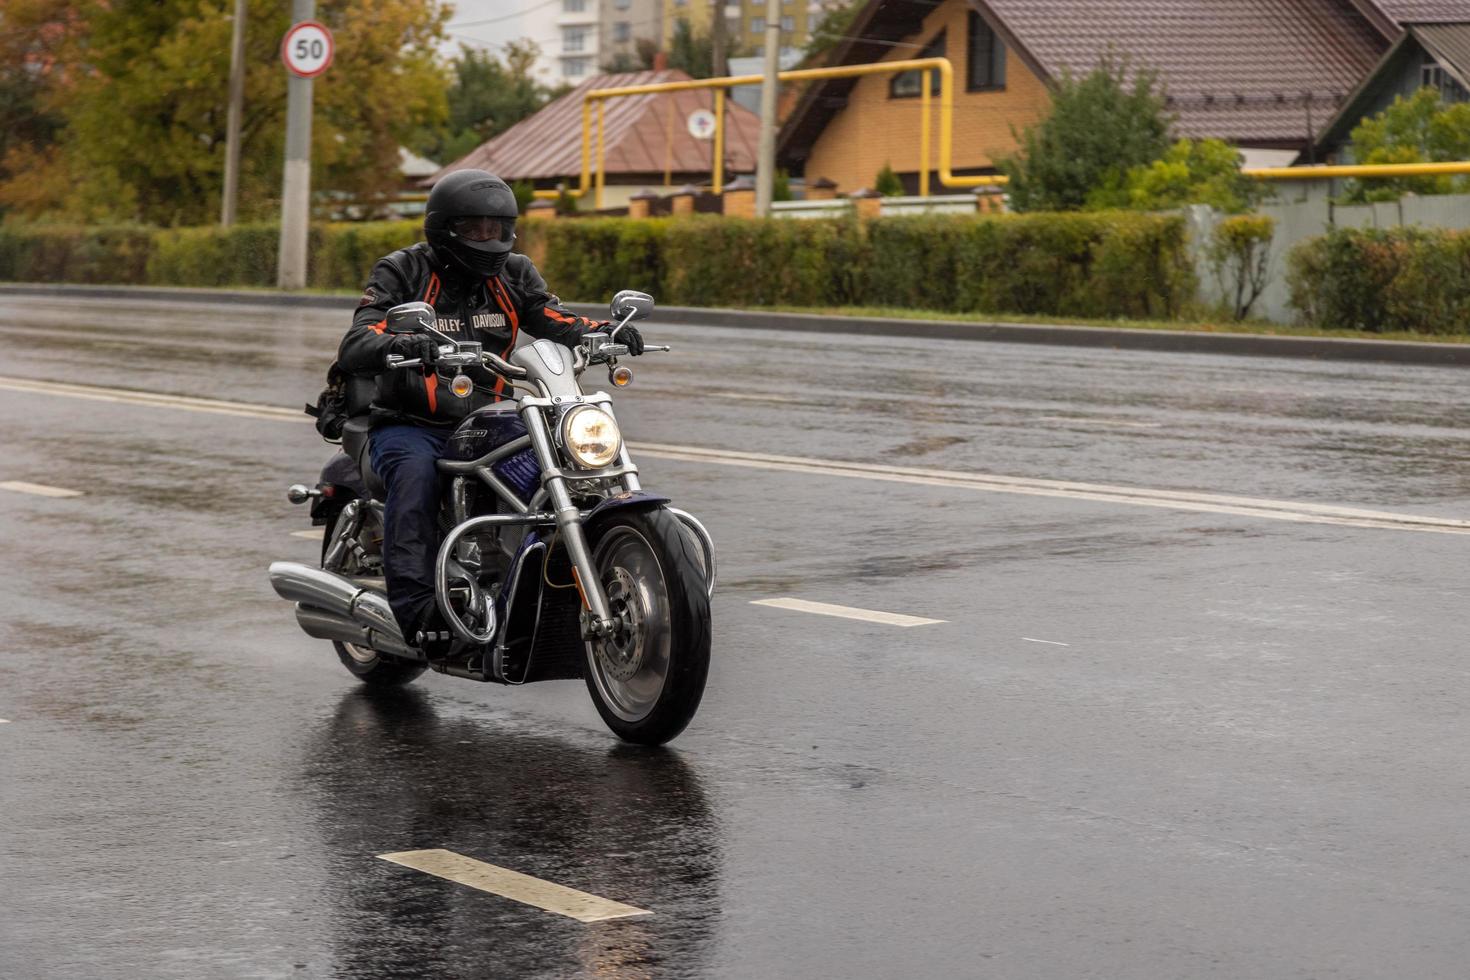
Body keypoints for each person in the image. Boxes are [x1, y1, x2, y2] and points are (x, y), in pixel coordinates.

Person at [336, 169, 644, 656]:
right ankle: (420, 614)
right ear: (444, 229)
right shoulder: (403, 270)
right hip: (412, 423)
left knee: (562, 462)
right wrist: (409, 341)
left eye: (498, 229)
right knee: (415, 481)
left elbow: (551, 317)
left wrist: (602, 332)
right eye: (475, 229)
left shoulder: (514, 273)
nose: (489, 239)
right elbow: (359, 339)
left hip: (490, 418)